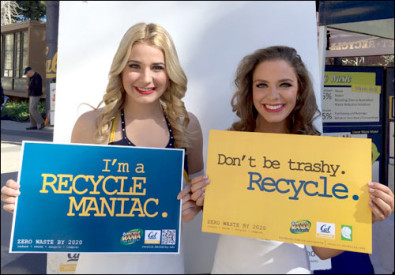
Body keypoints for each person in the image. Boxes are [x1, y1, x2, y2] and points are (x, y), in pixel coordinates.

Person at [1, 22, 204, 274]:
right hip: (99, 265)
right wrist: (29, 201)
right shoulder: (91, 124)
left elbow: (199, 187)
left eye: (157, 67)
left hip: (164, 265)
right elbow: (67, 196)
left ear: (170, 71)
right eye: (134, 66)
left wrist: (196, 204)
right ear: (120, 69)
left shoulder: (186, 125)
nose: (146, 78)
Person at [190, 46, 394, 274]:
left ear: (300, 91)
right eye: (262, 85)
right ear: (250, 91)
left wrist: (366, 217)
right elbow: (219, 213)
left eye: (285, 84)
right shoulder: (231, 147)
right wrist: (201, 197)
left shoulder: (318, 156)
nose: (273, 95)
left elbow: (323, 250)